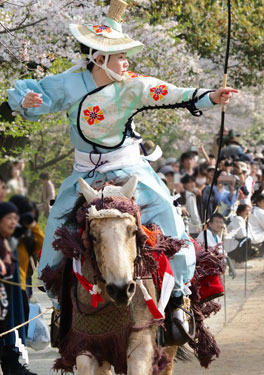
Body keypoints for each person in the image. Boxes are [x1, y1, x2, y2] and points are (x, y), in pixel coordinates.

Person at [7, 0, 237, 306]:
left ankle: (179, 298)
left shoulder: (133, 86)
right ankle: (62, 307)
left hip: (130, 170)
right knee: (56, 228)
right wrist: (28, 101)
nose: (126, 63)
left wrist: (210, 96)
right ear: (99, 58)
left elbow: (173, 93)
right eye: (120, 57)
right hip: (84, 176)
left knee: (167, 213)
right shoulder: (70, 83)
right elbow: (35, 92)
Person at [0, 202, 36, 375]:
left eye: (16, 218)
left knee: (11, 325)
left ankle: (11, 364)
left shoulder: (8, 242)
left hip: (10, 295)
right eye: (9, 218)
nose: (13, 222)